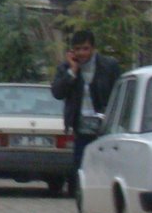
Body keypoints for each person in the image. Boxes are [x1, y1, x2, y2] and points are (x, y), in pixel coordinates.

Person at [50, 30, 122, 192]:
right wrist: (72, 71)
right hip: (81, 129)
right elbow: (57, 93)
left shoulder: (108, 66)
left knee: (105, 170)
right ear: (72, 51)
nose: (82, 53)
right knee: (80, 171)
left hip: (105, 129)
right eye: (77, 49)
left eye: (85, 48)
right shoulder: (66, 68)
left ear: (93, 48)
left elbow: (119, 95)